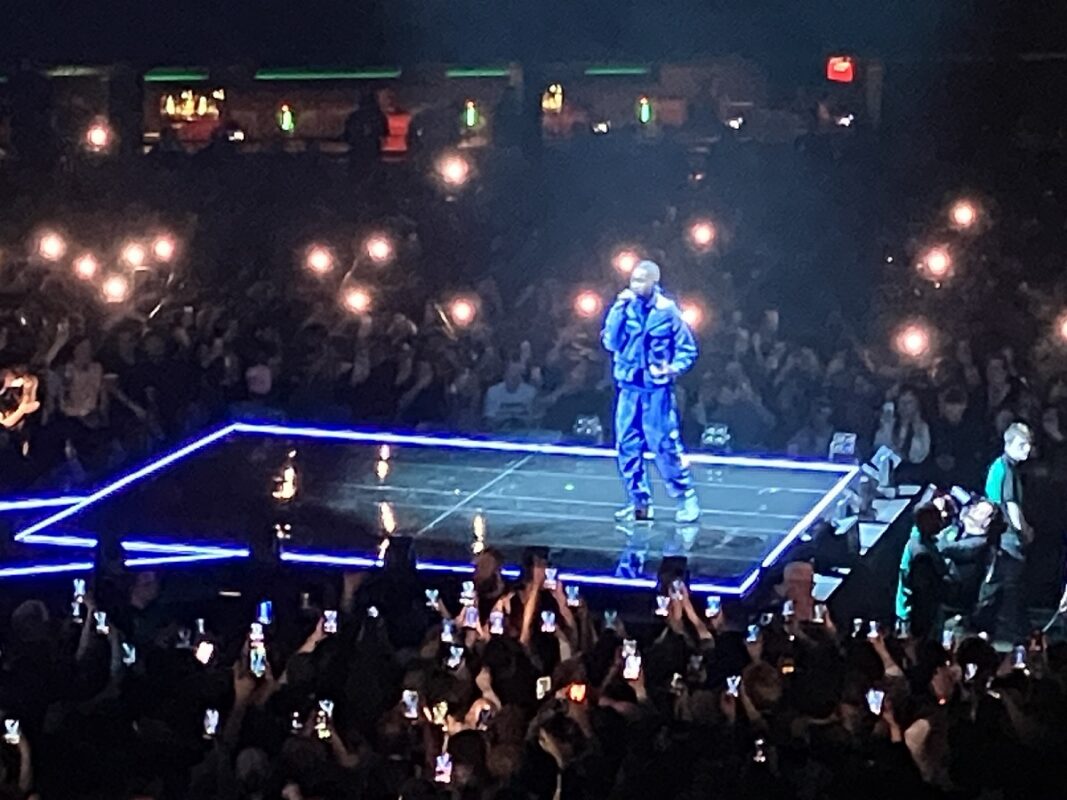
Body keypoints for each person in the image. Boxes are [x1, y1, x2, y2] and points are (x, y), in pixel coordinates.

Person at [601, 260, 700, 523]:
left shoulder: (668, 312)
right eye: (633, 280)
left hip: (656, 390)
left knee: (664, 443)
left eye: (641, 280)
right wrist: (617, 309)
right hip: (629, 387)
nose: (635, 285)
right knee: (627, 445)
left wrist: (673, 368)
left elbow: (687, 349)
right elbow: (610, 341)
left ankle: (684, 496)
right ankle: (639, 502)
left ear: (653, 282)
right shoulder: (625, 307)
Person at [975, 422, 1034, 643]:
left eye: (1028, 444)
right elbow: (1011, 506)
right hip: (1006, 540)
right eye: (1021, 444)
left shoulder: (999, 467)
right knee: (1007, 587)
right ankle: (1009, 635)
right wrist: (1025, 530)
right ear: (1008, 443)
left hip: (999, 538)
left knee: (999, 587)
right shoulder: (1005, 470)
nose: (1027, 449)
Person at [896, 503, 958, 641]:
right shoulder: (921, 555)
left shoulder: (918, 539)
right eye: (935, 519)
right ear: (924, 522)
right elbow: (924, 593)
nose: (940, 523)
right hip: (921, 617)